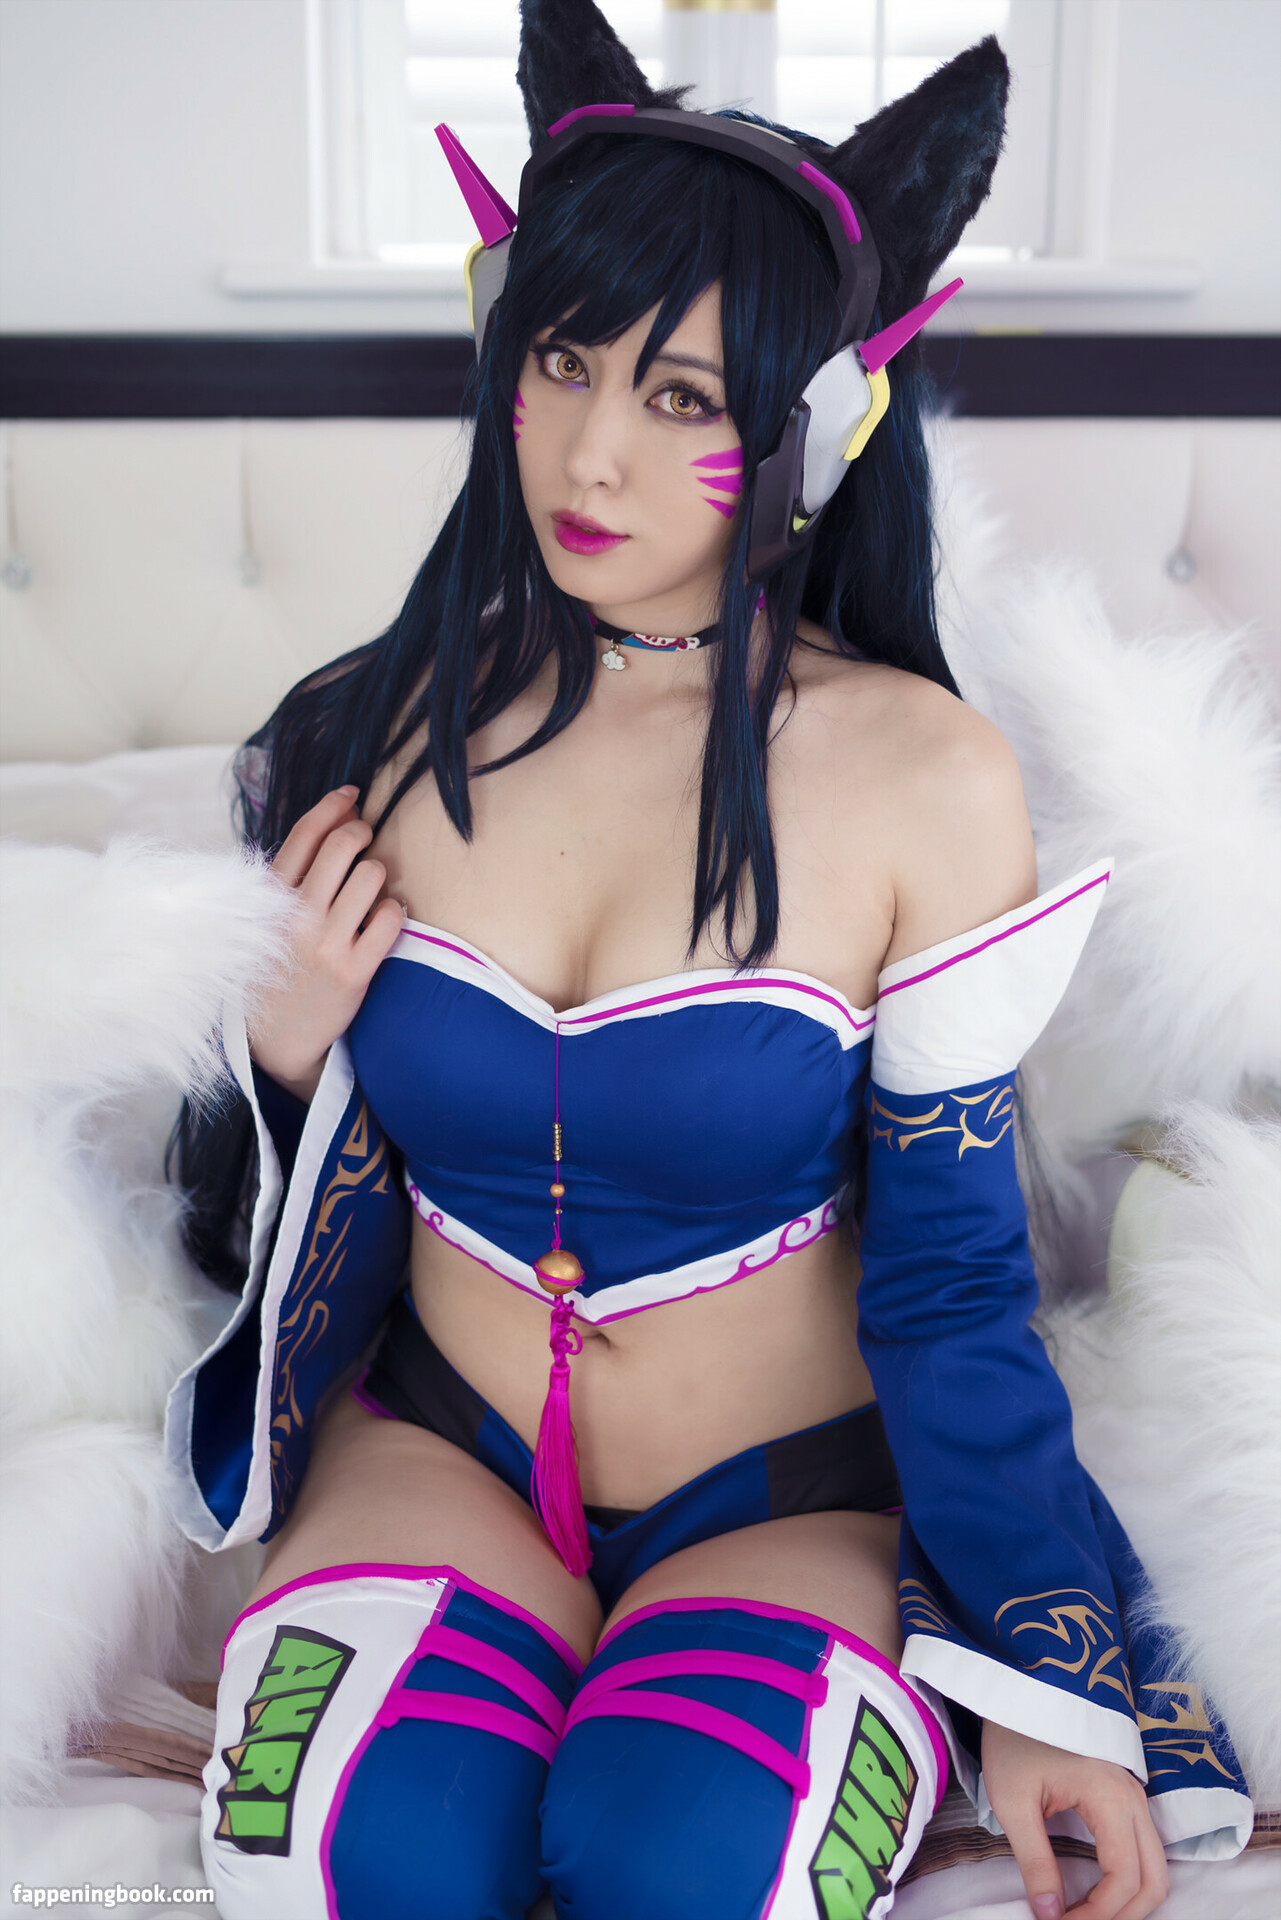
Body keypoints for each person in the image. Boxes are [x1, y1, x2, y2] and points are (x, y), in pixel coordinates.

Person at [167, 7, 1249, 1916]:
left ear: (813, 429)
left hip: (787, 1496)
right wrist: (277, 1054)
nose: (593, 451)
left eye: (683, 397)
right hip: (437, 1458)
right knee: (363, 1860)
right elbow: (220, 1222)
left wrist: (1044, 1680)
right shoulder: (359, 734)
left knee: (691, 1868)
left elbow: (953, 1273)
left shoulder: (921, 777)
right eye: (564, 360)